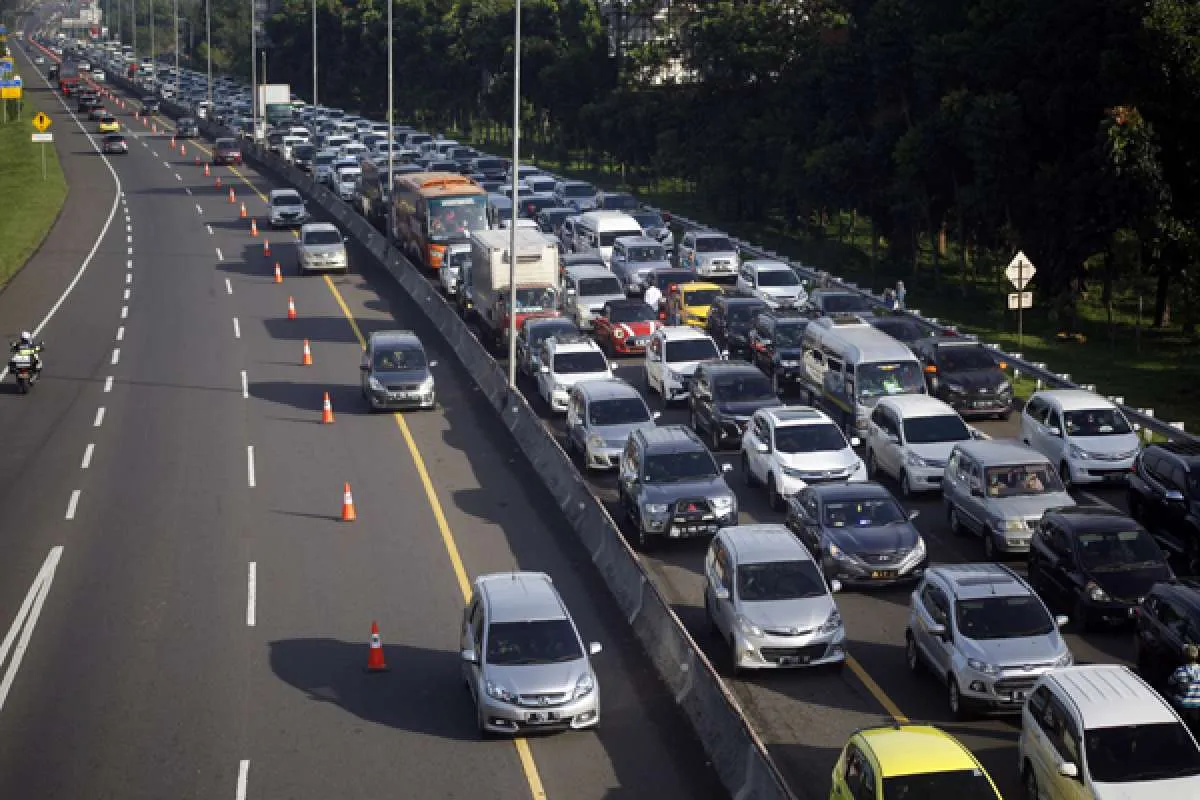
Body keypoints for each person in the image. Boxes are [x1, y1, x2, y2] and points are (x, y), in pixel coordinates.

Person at [1168, 645, 1200, 720]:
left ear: (1185, 657)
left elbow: (1170, 682)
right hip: (1197, 704)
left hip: (1182, 703)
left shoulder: (1180, 670)